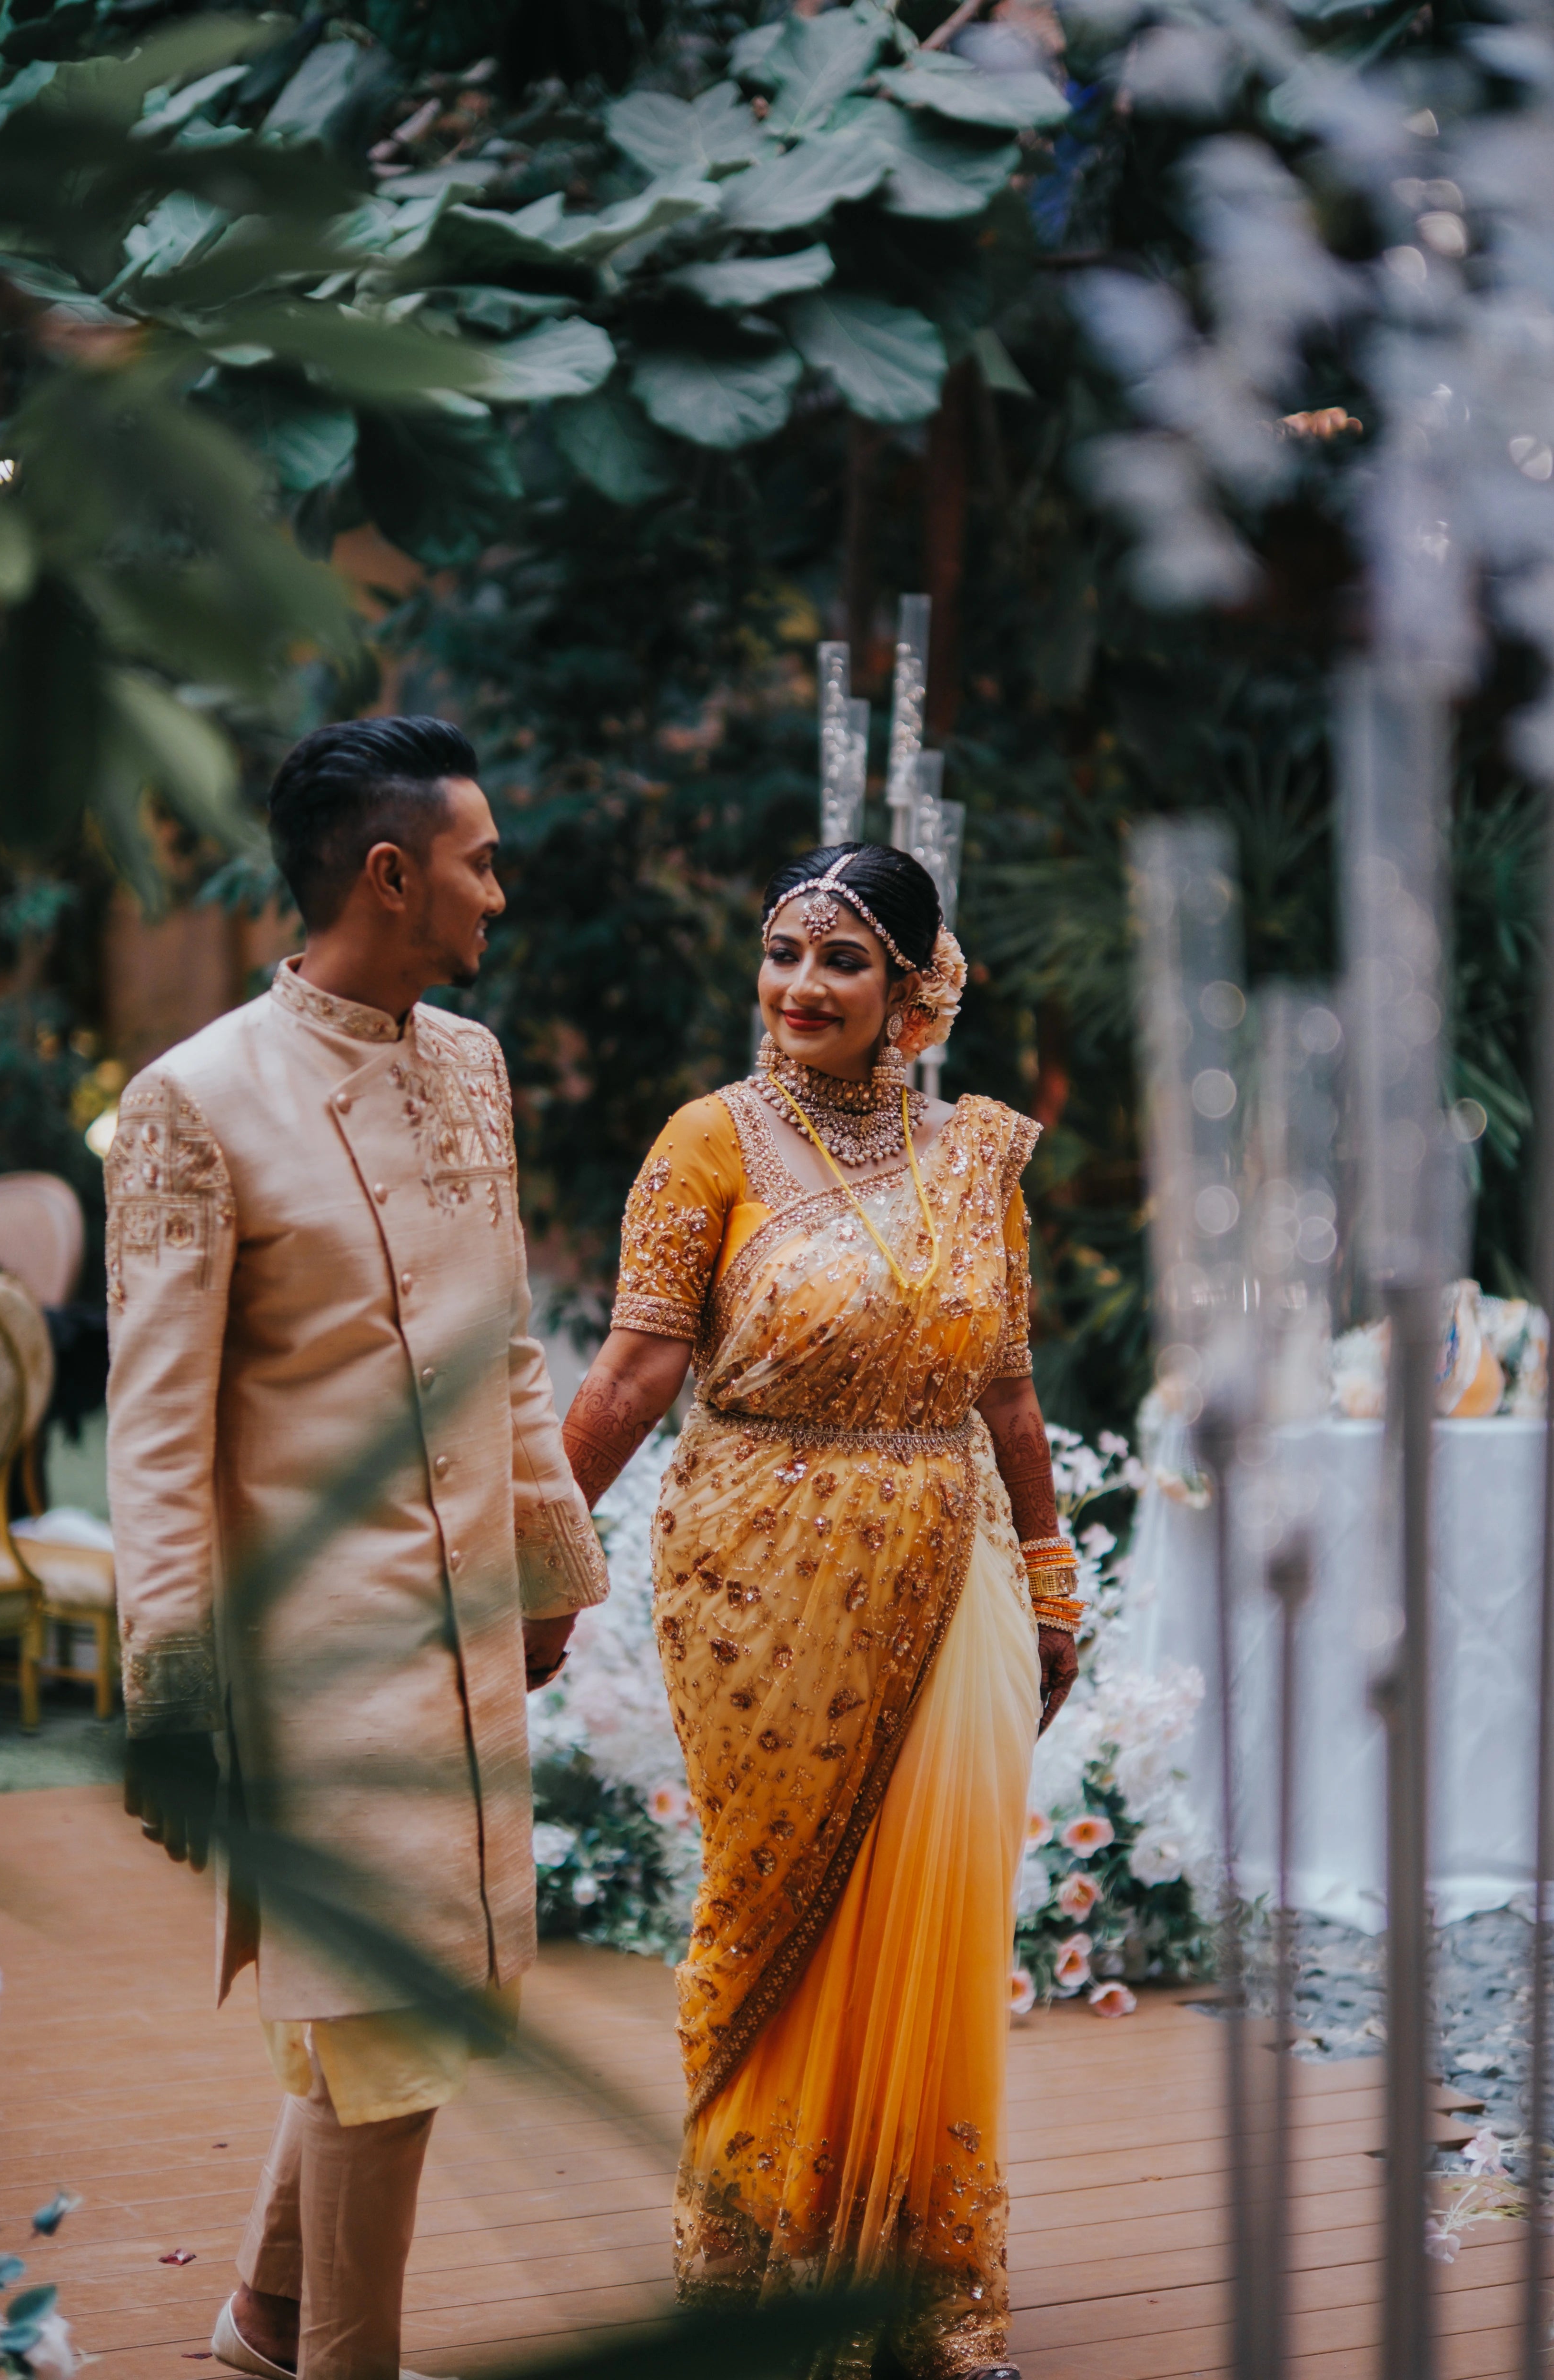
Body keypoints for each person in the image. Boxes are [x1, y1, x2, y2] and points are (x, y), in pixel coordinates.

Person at [104, 716, 608, 2380]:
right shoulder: (190, 1103)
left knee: (418, 2005)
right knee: (386, 2029)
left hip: (467, 1637)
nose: (500, 892)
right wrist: (171, 1708)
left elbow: (508, 1345)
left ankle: (261, 2320)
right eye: (478, 859)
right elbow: (160, 1440)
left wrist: (547, 1576)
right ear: (390, 876)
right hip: (316, 1664)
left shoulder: (471, 1061)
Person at [561, 844, 1079, 2380]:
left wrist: (1052, 1571)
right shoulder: (706, 1143)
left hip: (954, 1567)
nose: (801, 986)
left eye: (842, 959)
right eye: (784, 952)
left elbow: (1011, 1389)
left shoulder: (979, 1155)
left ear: (916, 988)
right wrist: (524, 1552)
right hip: (757, 1586)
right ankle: (756, 2259)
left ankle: (913, 2273)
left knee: (932, 1908)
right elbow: (635, 1376)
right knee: (767, 1904)